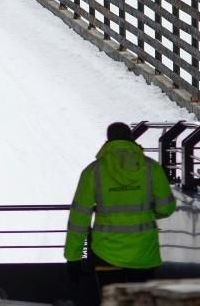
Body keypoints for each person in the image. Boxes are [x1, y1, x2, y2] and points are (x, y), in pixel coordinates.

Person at [64, 122, 177, 296]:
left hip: (105, 251)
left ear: (108, 140)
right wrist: (145, 213)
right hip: (143, 252)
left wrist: (73, 257)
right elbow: (166, 208)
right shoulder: (151, 168)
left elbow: (79, 217)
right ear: (131, 139)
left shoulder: (93, 171)